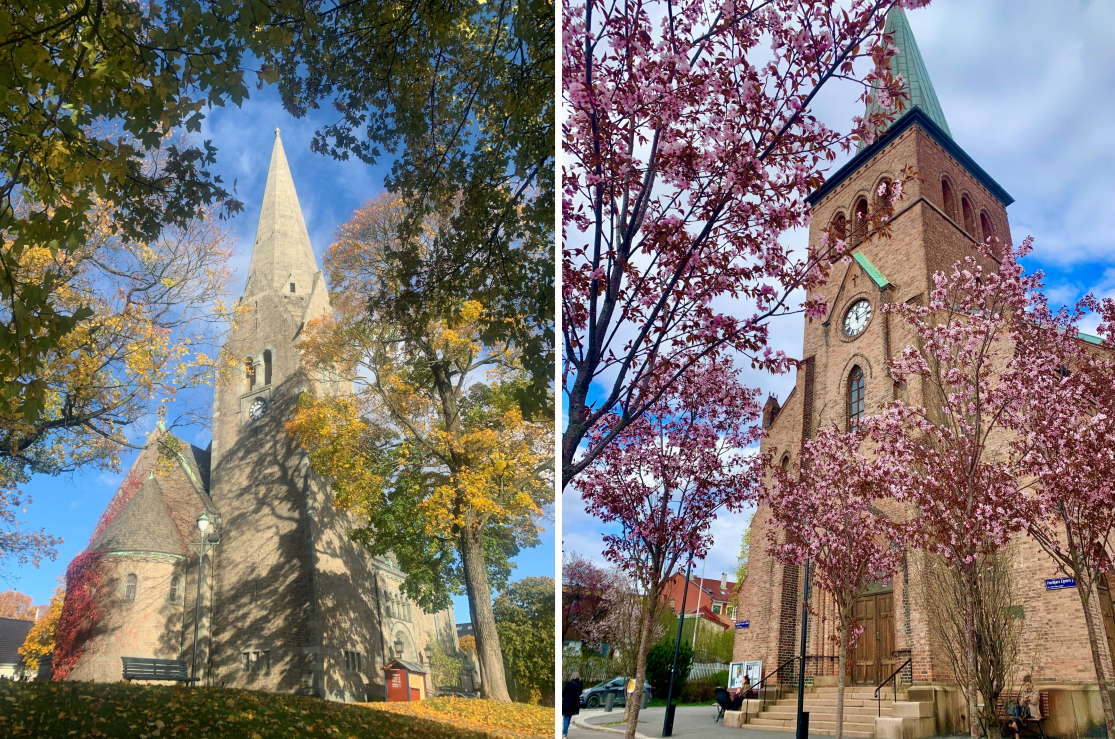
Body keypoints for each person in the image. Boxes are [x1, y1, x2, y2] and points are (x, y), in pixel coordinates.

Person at [562, 673, 584, 737]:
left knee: (566, 717)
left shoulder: (568, 683)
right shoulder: (580, 684)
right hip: (575, 703)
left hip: (567, 702)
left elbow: (563, 692)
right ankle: (565, 732)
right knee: (569, 717)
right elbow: (580, 693)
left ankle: (564, 733)